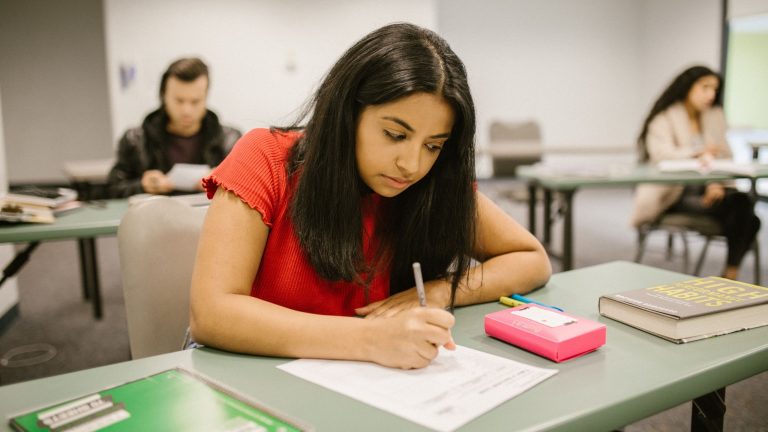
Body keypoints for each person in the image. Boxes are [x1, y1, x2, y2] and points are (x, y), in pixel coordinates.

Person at [189, 23, 551, 369]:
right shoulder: (266, 157)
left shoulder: (434, 183)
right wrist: (369, 338)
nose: (412, 165)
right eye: (395, 134)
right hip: (253, 376)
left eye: (433, 145)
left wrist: (442, 291)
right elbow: (212, 314)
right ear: (348, 112)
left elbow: (531, 259)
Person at [631, 65, 760, 280]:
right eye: (705, 87)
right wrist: (696, 152)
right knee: (747, 215)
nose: (710, 94)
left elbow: (723, 157)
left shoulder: (714, 116)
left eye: (714, 89)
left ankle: (730, 274)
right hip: (673, 193)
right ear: (687, 87)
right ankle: (730, 276)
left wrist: (716, 184)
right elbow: (661, 156)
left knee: (744, 208)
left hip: (711, 189)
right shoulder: (664, 117)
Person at [107, 57, 241, 198]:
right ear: (164, 96)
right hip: (155, 217)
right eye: (179, 100)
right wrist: (142, 186)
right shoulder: (135, 140)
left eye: (195, 101)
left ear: (206, 96)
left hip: (210, 217)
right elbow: (111, 190)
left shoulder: (230, 140)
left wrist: (222, 182)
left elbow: (249, 191)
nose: (186, 110)